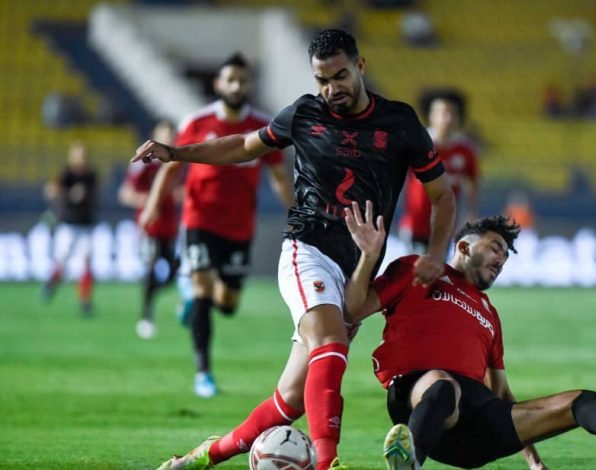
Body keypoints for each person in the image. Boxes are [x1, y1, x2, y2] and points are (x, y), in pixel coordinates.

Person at [135, 30, 456, 470]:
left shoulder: (399, 123)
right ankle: (328, 463)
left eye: (340, 76)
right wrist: (175, 153)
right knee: (330, 342)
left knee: (290, 399)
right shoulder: (304, 114)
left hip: (356, 267)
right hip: (308, 248)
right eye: (322, 79)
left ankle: (205, 455)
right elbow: (242, 146)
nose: (331, 88)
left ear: (360, 66)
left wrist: (436, 253)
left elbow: (442, 195)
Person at [343, 208, 596, 469]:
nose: (501, 260)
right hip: (419, 398)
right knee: (443, 386)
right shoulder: (419, 270)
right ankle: (410, 460)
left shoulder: (489, 313)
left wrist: (533, 461)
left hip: (477, 427)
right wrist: (369, 257)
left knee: (581, 398)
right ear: (463, 246)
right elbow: (355, 308)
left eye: (505, 257)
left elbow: (502, 394)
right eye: (495, 248)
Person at [139, 53, 294, 398]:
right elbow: (171, 167)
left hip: (239, 226)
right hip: (200, 218)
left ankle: (192, 300)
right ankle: (203, 374)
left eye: (242, 80)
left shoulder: (264, 127)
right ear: (218, 84)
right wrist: (152, 205)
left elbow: (279, 177)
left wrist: (296, 211)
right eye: (231, 80)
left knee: (227, 303)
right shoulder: (197, 121)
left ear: (249, 84)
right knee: (203, 290)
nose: (236, 86)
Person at [119, 120, 181, 339]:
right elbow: (126, 194)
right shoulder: (144, 163)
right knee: (152, 266)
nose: (168, 138)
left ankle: (154, 299)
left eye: (171, 134)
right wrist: (150, 200)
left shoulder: (178, 160)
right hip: (150, 226)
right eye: (164, 134)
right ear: (155, 136)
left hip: (169, 226)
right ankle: (146, 316)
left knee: (174, 272)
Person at [400, 89, 479, 253]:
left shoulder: (465, 150)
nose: (447, 118)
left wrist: (471, 213)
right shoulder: (417, 143)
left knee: (439, 266)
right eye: (442, 113)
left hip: (447, 225)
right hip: (416, 224)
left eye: (452, 113)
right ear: (431, 115)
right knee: (417, 266)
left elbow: (472, 182)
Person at [41, 140, 99, 314]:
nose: (81, 158)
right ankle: (51, 284)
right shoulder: (66, 174)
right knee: (62, 260)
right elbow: (52, 190)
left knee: (86, 262)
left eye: (83, 155)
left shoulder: (91, 175)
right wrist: (67, 194)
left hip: (85, 225)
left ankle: (85, 301)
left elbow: (95, 195)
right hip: (68, 224)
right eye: (78, 154)